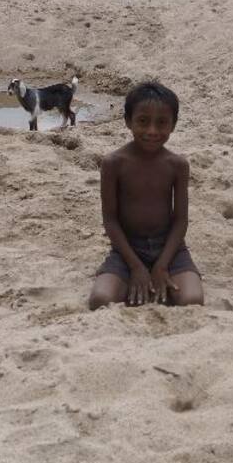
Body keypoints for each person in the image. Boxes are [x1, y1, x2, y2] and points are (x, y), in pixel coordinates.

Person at [88, 82, 204, 309]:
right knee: (100, 299)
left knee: (192, 300)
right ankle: (141, 278)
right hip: (127, 250)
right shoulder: (114, 164)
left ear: (173, 125)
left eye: (162, 123)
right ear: (128, 121)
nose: (152, 131)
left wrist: (161, 265)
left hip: (170, 248)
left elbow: (180, 221)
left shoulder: (177, 165)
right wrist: (136, 267)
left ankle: (158, 277)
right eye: (143, 121)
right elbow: (110, 220)